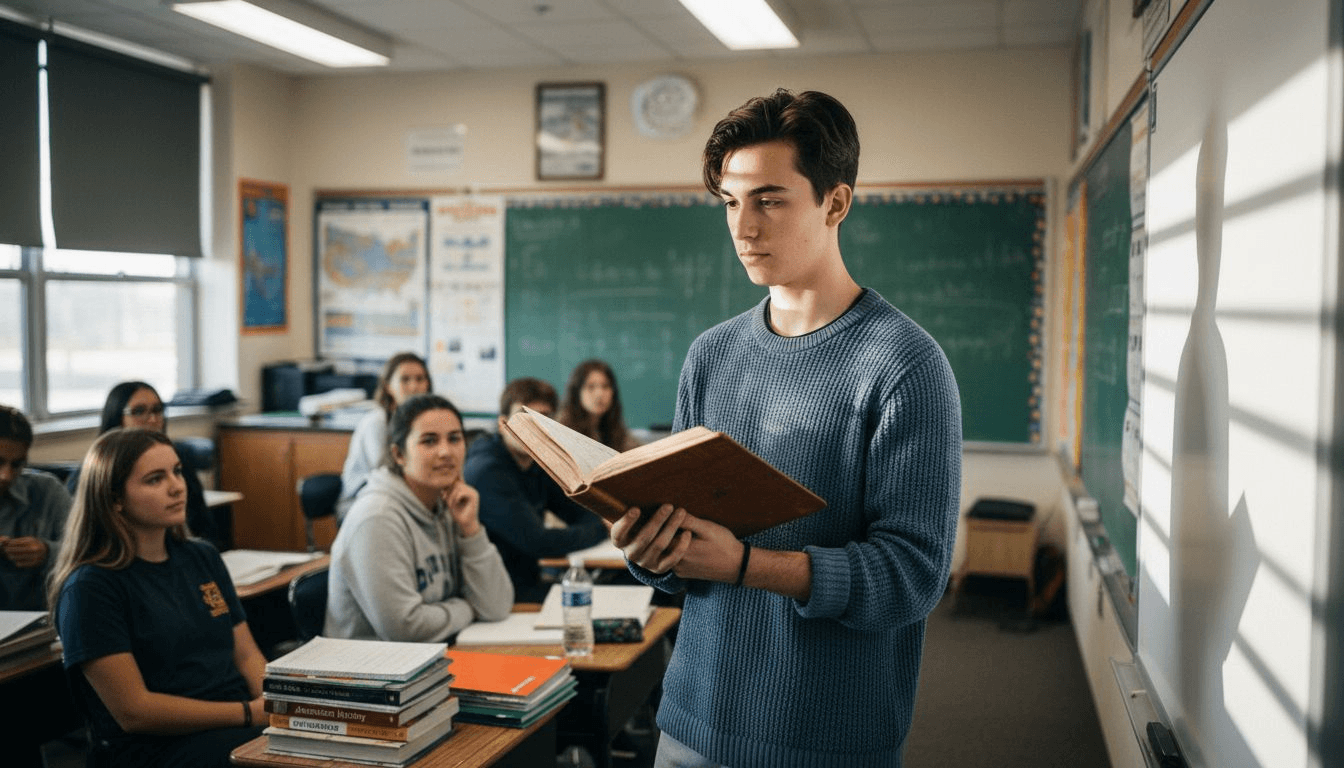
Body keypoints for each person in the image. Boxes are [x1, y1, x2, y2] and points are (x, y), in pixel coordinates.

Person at [612, 89, 962, 767]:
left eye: (769, 200)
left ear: (835, 203)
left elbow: (914, 576)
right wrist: (647, 547)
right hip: (688, 718)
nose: (744, 227)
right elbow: (684, 553)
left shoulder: (904, 366)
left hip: (822, 741)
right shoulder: (711, 355)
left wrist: (745, 565)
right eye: (730, 202)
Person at [50, 428, 266, 767]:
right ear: (114, 498)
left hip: (236, 722)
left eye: (177, 471)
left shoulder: (201, 556)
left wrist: (279, 706)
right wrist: (247, 714)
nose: (177, 486)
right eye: (154, 479)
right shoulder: (90, 588)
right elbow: (135, 712)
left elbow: (246, 654)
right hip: (158, 749)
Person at [326, 393, 513, 641]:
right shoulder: (376, 519)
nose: (446, 452)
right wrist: (469, 607)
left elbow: (497, 606)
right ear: (399, 455)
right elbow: (405, 630)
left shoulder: (447, 505)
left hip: (438, 656)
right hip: (374, 673)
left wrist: (470, 530)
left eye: (455, 439)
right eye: (429, 441)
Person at [464, 377, 608, 603]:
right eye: (524, 419)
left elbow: (576, 510)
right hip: (498, 595)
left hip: (528, 581)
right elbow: (539, 542)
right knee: (605, 598)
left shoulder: (536, 461)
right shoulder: (487, 471)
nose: (535, 428)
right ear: (503, 424)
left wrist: (595, 523)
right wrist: (600, 529)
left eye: (543, 419)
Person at [65, 381, 225, 550]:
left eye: (157, 410)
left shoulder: (177, 459)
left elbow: (204, 528)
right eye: (139, 411)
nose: (153, 419)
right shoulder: (94, 473)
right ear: (116, 417)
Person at [338, 352, 432, 520]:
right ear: (388, 386)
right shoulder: (377, 422)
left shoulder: (422, 421)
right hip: (362, 499)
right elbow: (385, 473)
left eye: (420, 379)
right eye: (405, 380)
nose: (414, 387)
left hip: (400, 495)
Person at [0, 405, 71, 610]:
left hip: (41, 624)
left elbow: (90, 548)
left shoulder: (46, 491)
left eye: (17, 464)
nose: (6, 475)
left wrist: (48, 552)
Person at [558, 359, 639, 451]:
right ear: (576, 392)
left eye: (605, 386)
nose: (599, 394)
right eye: (590, 386)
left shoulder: (618, 432)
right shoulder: (561, 432)